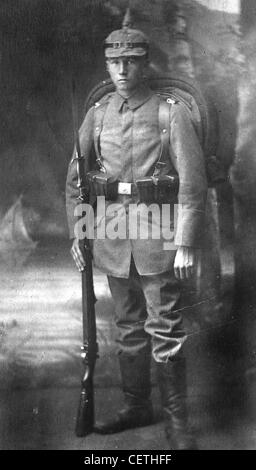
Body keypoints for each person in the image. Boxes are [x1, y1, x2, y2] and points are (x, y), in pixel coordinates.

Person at [66, 12, 207, 450]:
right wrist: (79, 233)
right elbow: (77, 179)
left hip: (158, 236)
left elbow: (193, 182)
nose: (123, 70)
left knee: (164, 324)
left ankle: (177, 423)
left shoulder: (171, 112)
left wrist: (185, 242)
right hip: (109, 235)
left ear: (145, 64)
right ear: (106, 66)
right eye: (115, 63)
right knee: (127, 325)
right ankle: (136, 407)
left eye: (131, 61)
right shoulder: (97, 113)